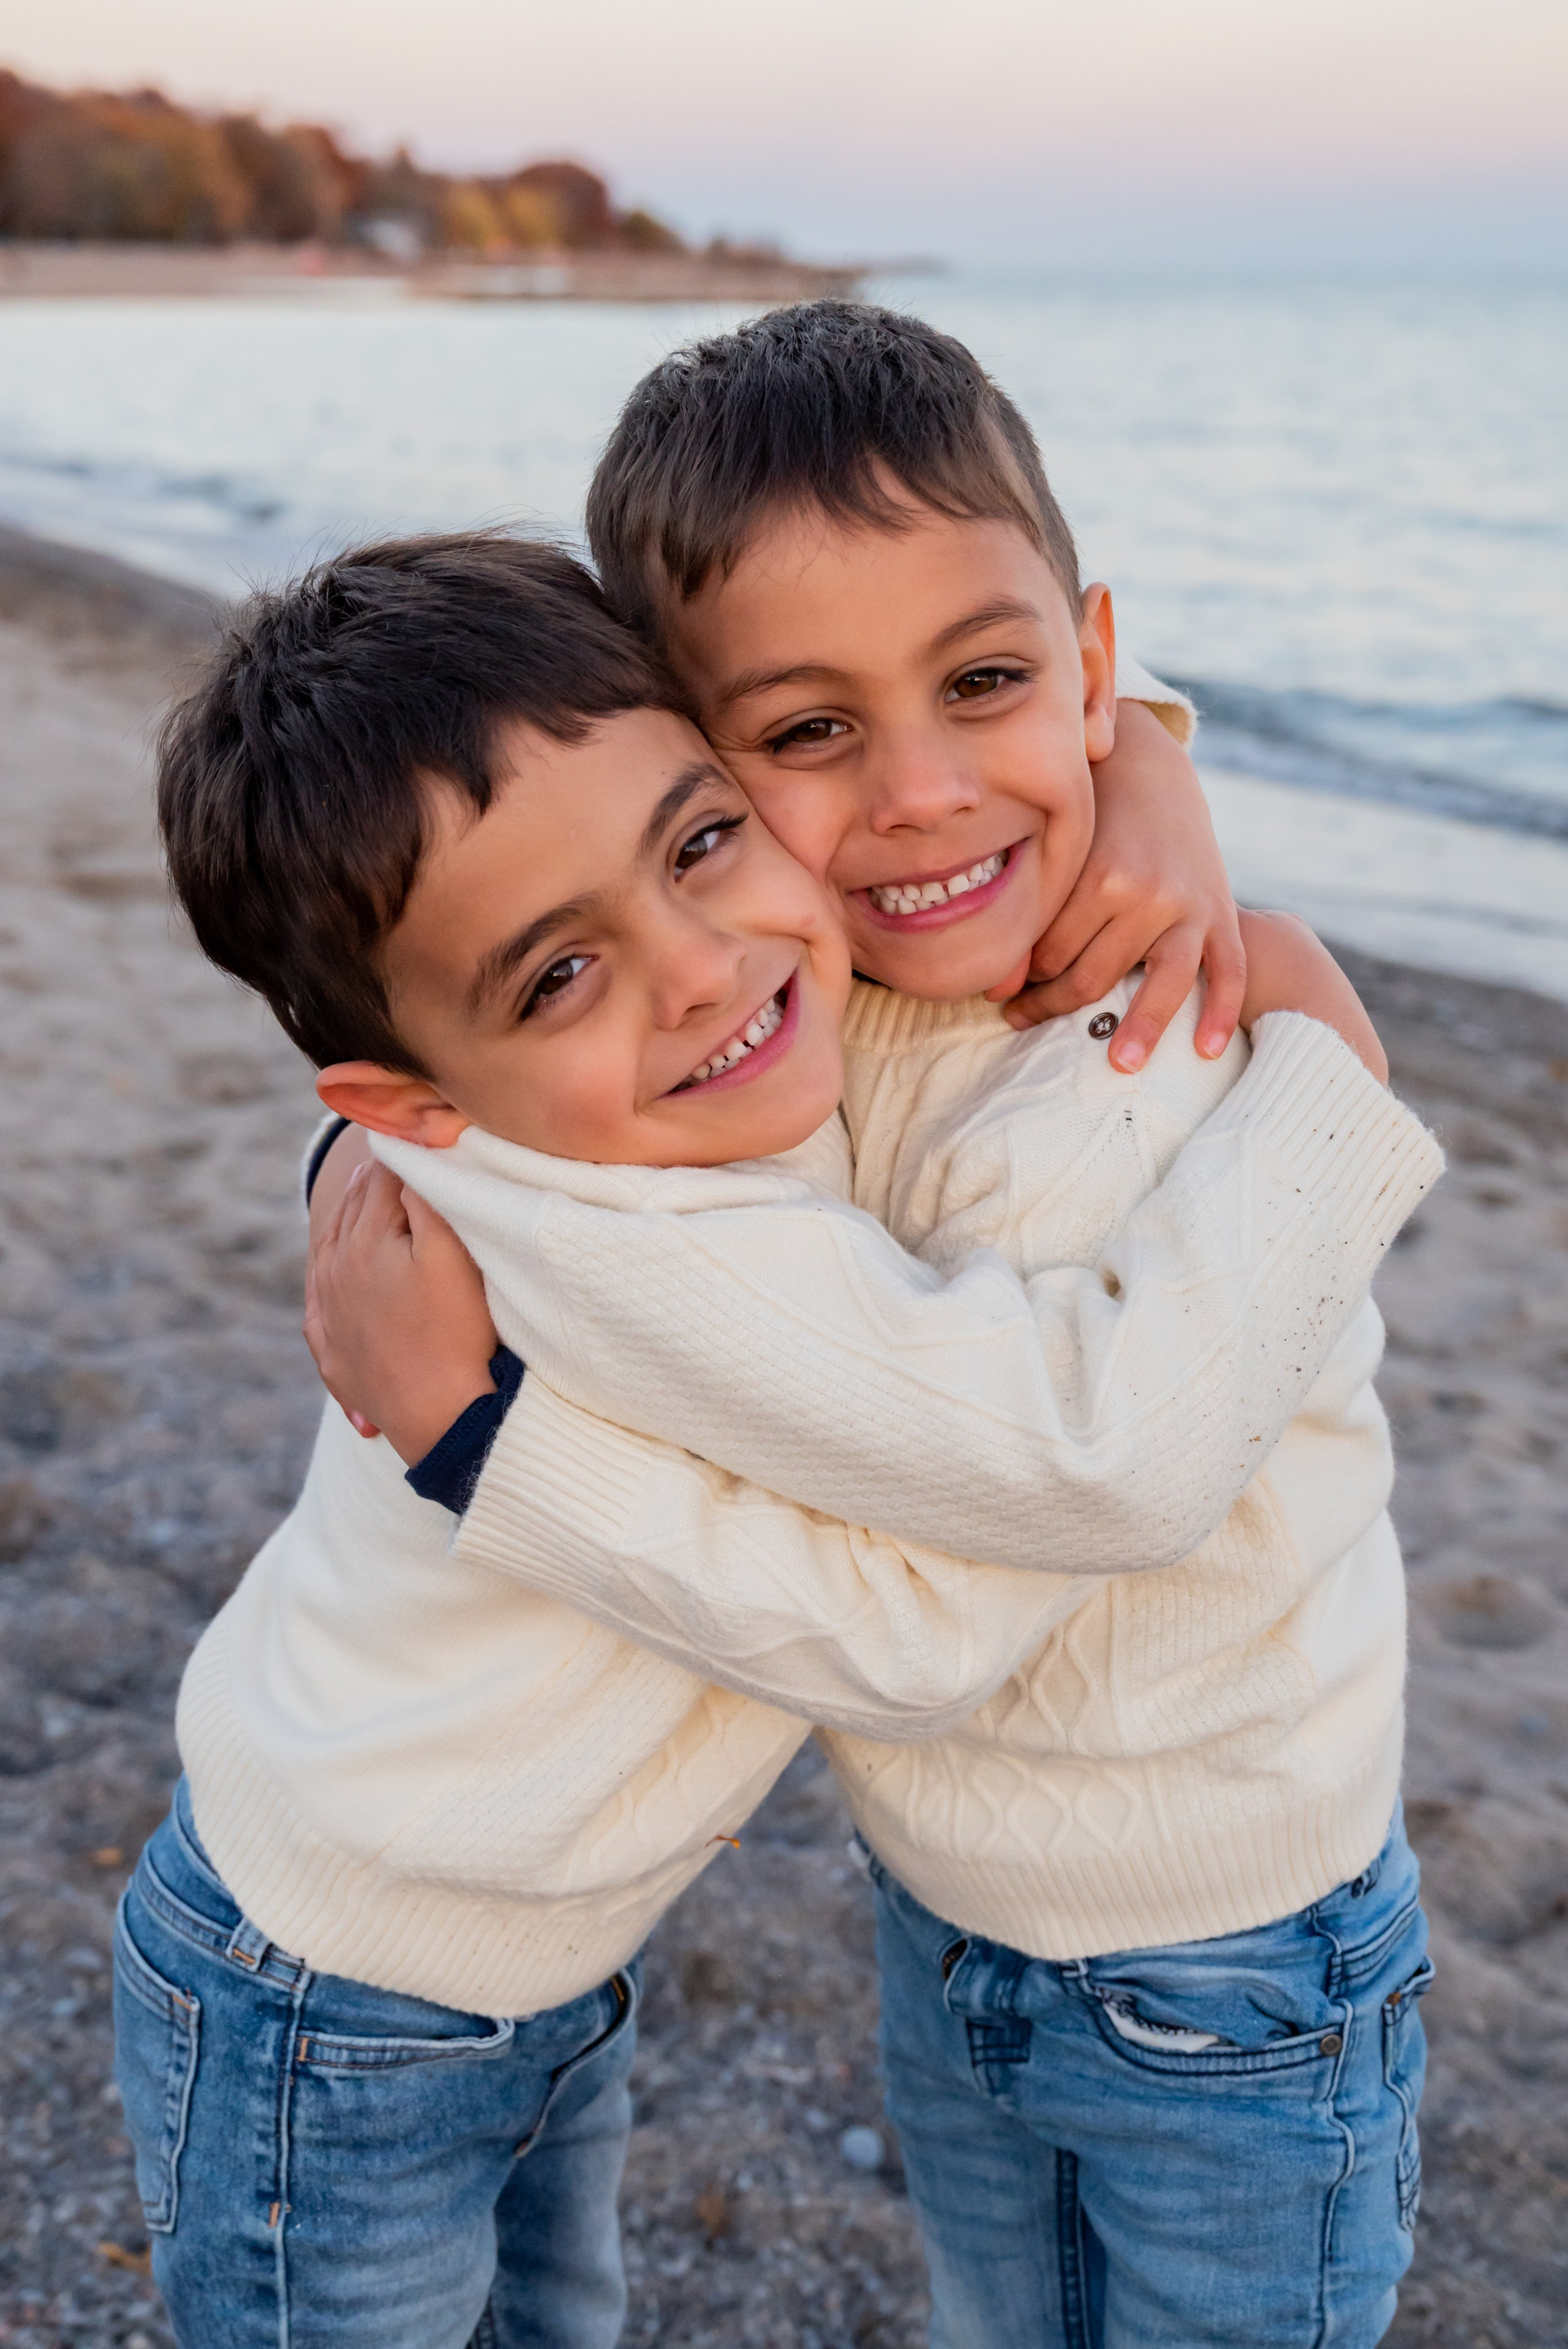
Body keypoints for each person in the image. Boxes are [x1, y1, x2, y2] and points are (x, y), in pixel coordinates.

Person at [309, 307, 1444, 2347]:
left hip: (1235, 1936)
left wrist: (1320, 1053)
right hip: (951, 1898)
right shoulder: (781, 993)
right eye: (808, 736)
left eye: (995, 690)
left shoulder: (1155, 1029)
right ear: (687, 763)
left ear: (1079, 670)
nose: (920, 797)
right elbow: (466, 980)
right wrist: (1141, 754)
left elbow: (1101, 1460)